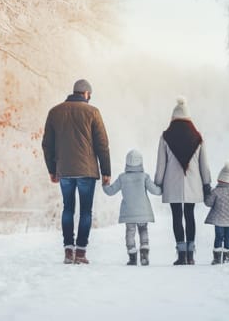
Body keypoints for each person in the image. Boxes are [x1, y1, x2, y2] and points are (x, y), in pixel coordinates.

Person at [41, 79, 111, 264]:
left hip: (64, 170)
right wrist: (106, 171)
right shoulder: (93, 112)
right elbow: (102, 144)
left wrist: (52, 169)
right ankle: (80, 252)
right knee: (86, 211)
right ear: (86, 94)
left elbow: (47, 144)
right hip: (87, 171)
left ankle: (68, 250)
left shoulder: (55, 112)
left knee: (68, 209)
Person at [155, 97, 211, 265]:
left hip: (172, 183)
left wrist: (158, 182)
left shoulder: (166, 136)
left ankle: (181, 255)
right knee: (190, 215)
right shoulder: (198, 137)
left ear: (173, 117)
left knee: (177, 216)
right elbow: (204, 164)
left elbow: (161, 163)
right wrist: (206, 183)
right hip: (193, 183)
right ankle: (190, 255)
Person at [103, 149, 162, 266]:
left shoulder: (122, 178)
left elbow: (110, 191)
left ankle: (132, 257)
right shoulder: (144, 177)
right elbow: (155, 191)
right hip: (143, 212)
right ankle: (144, 253)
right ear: (141, 163)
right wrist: (162, 188)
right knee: (143, 230)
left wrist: (105, 184)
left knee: (130, 232)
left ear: (127, 163)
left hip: (128, 212)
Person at [204, 160, 229, 264]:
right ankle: (227, 259)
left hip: (218, 220)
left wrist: (207, 194)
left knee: (218, 237)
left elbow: (208, 203)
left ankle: (217, 259)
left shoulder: (216, 191)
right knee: (228, 237)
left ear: (220, 179)